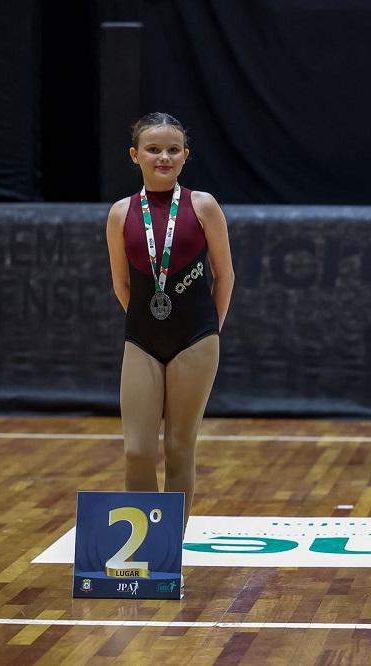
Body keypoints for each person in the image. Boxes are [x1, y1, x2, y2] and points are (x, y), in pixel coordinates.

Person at [105, 112, 234, 532]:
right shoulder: (121, 213)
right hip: (142, 338)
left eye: (172, 150)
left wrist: (211, 328)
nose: (163, 157)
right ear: (134, 155)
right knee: (138, 451)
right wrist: (149, 322)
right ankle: (145, 550)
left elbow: (225, 275)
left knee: (180, 448)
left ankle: (167, 551)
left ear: (185, 156)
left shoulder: (203, 206)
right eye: (153, 149)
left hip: (196, 338)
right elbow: (121, 284)